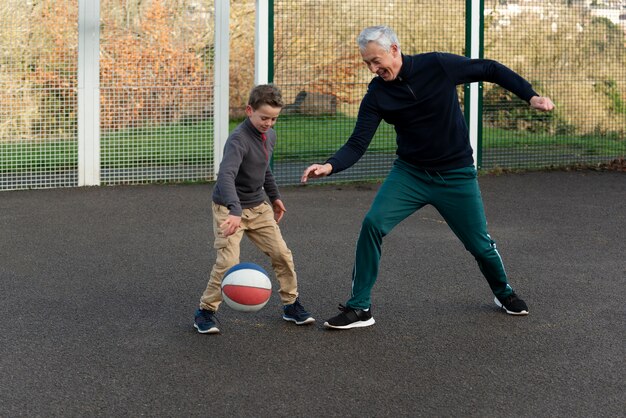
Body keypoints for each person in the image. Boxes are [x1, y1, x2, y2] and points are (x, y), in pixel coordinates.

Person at [301, 26, 555, 330]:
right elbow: (357, 144)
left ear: (394, 49)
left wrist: (531, 96)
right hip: (410, 175)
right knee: (373, 224)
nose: (373, 68)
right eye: (367, 63)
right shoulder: (377, 94)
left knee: (480, 245)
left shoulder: (436, 66)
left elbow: (489, 68)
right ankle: (360, 308)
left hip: (456, 175)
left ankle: (504, 293)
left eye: (376, 60)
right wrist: (329, 166)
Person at [194, 84, 315, 334]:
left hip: (258, 207)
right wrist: (235, 210)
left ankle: (291, 305)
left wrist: (275, 197)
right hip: (229, 209)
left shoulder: (269, 135)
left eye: (274, 118)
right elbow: (225, 176)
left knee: (282, 254)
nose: (269, 123)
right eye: (264, 117)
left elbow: (264, 170)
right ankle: (205, 312)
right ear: (249, 111)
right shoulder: (238, 140)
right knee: (228, 261)